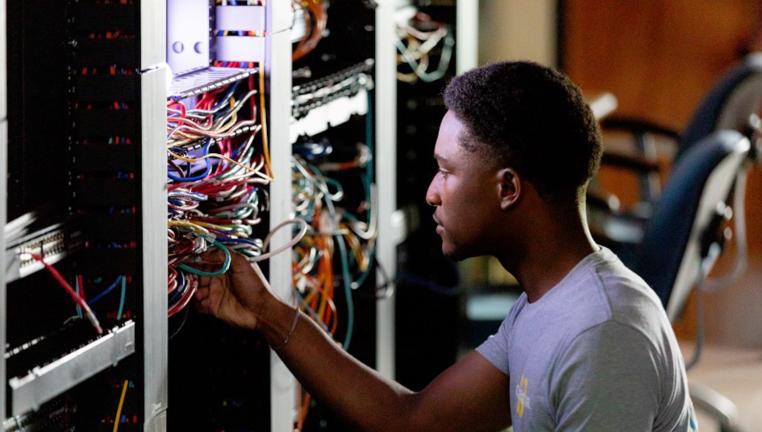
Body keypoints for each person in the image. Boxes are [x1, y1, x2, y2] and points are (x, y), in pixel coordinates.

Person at [196, 61, 698, 431]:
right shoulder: (546, 306)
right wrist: (264, 311)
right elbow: (410, 420)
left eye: (446, 171)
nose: (432, 192)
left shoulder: (600, 334)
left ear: (507, 188)